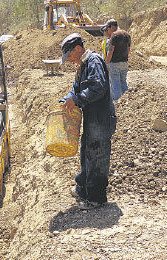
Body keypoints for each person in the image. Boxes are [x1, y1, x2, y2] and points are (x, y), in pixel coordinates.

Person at [60, 33, 117, 210]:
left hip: (100, 118)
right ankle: (84, 190)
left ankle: (96, 198)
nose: (69, 60)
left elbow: (98, 88)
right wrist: (67, 99)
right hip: (92, 118)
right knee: (87, 153)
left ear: (78, 49)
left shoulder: (94, 61)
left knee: (97, 156)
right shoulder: (83, 66)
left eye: (69, 55)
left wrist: (76, 100)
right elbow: (75, 89)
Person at [103, 19, 131, 101]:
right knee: (124, 83)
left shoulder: (114, 35)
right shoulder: (127, 35)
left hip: (114, 64)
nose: (107, 31)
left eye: (107, 29)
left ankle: (118, 104)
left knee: (116, 84)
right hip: (124, 63)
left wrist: (106, 63)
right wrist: (125, 59)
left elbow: (110, 50)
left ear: (111, 27)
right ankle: (127, 102)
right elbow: (128, 50)